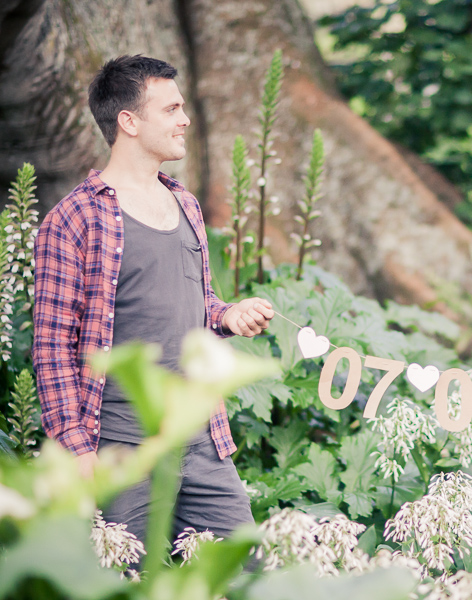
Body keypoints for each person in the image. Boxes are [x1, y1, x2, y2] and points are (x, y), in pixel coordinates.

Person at [32, 55, 274, 564]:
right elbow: (51, 346)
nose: (185, 119)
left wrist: (227, 315)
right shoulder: (74, 218)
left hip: (201, 437)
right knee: (128, 581)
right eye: (172, 109)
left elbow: (193, 301)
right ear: (130, 121)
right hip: (122, 448)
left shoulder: (184, 203)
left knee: (248, 572)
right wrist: (76, 449)